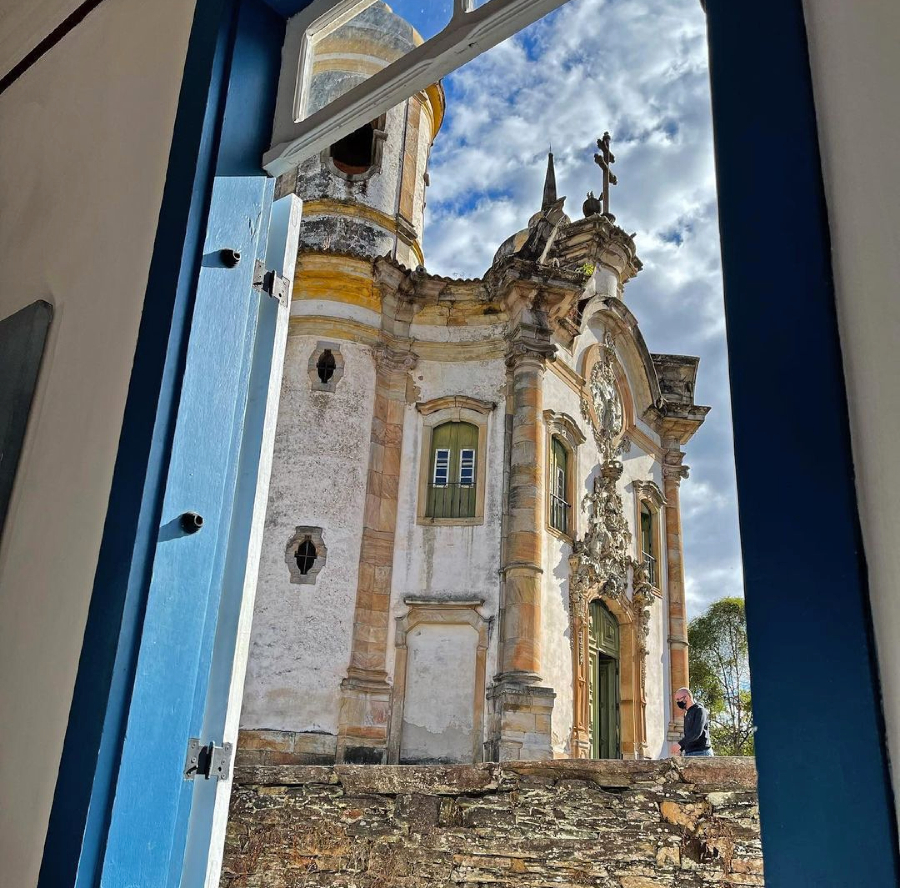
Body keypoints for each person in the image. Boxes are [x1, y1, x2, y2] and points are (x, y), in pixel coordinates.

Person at [669, 687, 714, 757]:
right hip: (689, 753)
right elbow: (689, 736)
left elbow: (696, 733)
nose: (678, 702)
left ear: (686, 697)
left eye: (678, 699)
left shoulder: (700, 710)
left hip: (701, 752)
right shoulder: (686, 714)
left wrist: (679, 744)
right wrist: (681, 748)